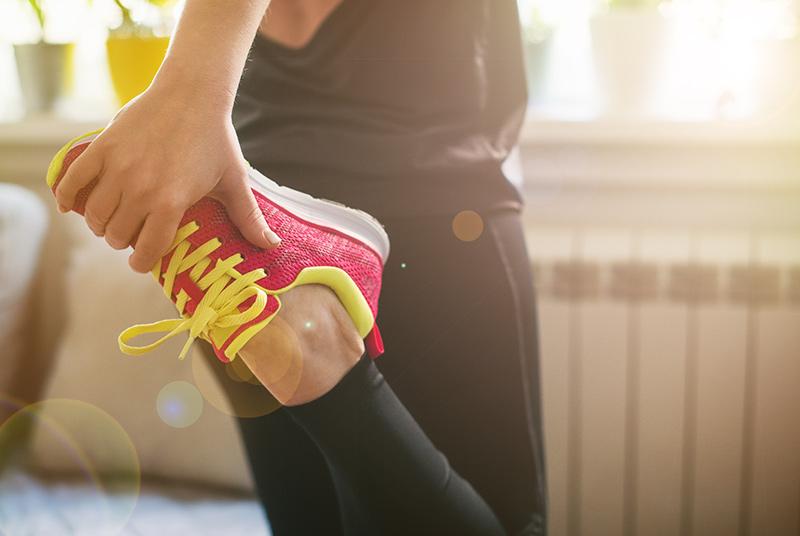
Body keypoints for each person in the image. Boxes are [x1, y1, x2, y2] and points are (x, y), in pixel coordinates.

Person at [54, 0, 546, 534]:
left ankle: (326, 369)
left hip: (240, 246)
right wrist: (187, 95)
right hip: (434, 200)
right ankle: (328, 359)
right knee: (518, 524)